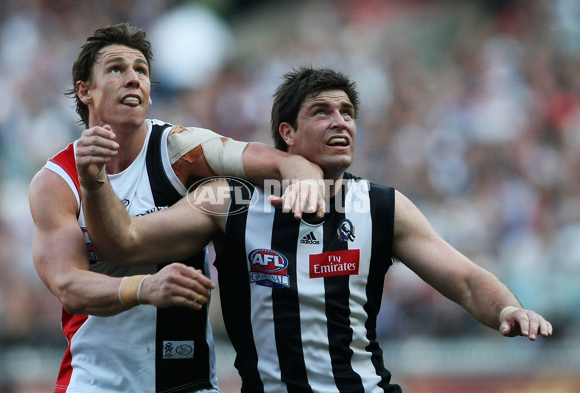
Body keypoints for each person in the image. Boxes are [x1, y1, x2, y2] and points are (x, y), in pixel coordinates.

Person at [77, 67, 553, 392]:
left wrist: (508, 308)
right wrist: (95, 179)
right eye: (322, 112)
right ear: (287, 134)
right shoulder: (230, 200)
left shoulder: (381, 206)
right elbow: (124, 241)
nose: (340, 121)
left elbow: (468, 280)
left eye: (347, 112)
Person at [28, 24, 326, 393]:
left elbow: (283, 163)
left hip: (187, 380)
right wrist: (145, 287)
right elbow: (69, 287)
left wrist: (307, 182)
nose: (133, 79)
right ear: (84, 90)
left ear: (151, 94)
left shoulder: (180, 151)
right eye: (117, 69)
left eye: (142, 71)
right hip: (93, 381)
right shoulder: (55, 181)